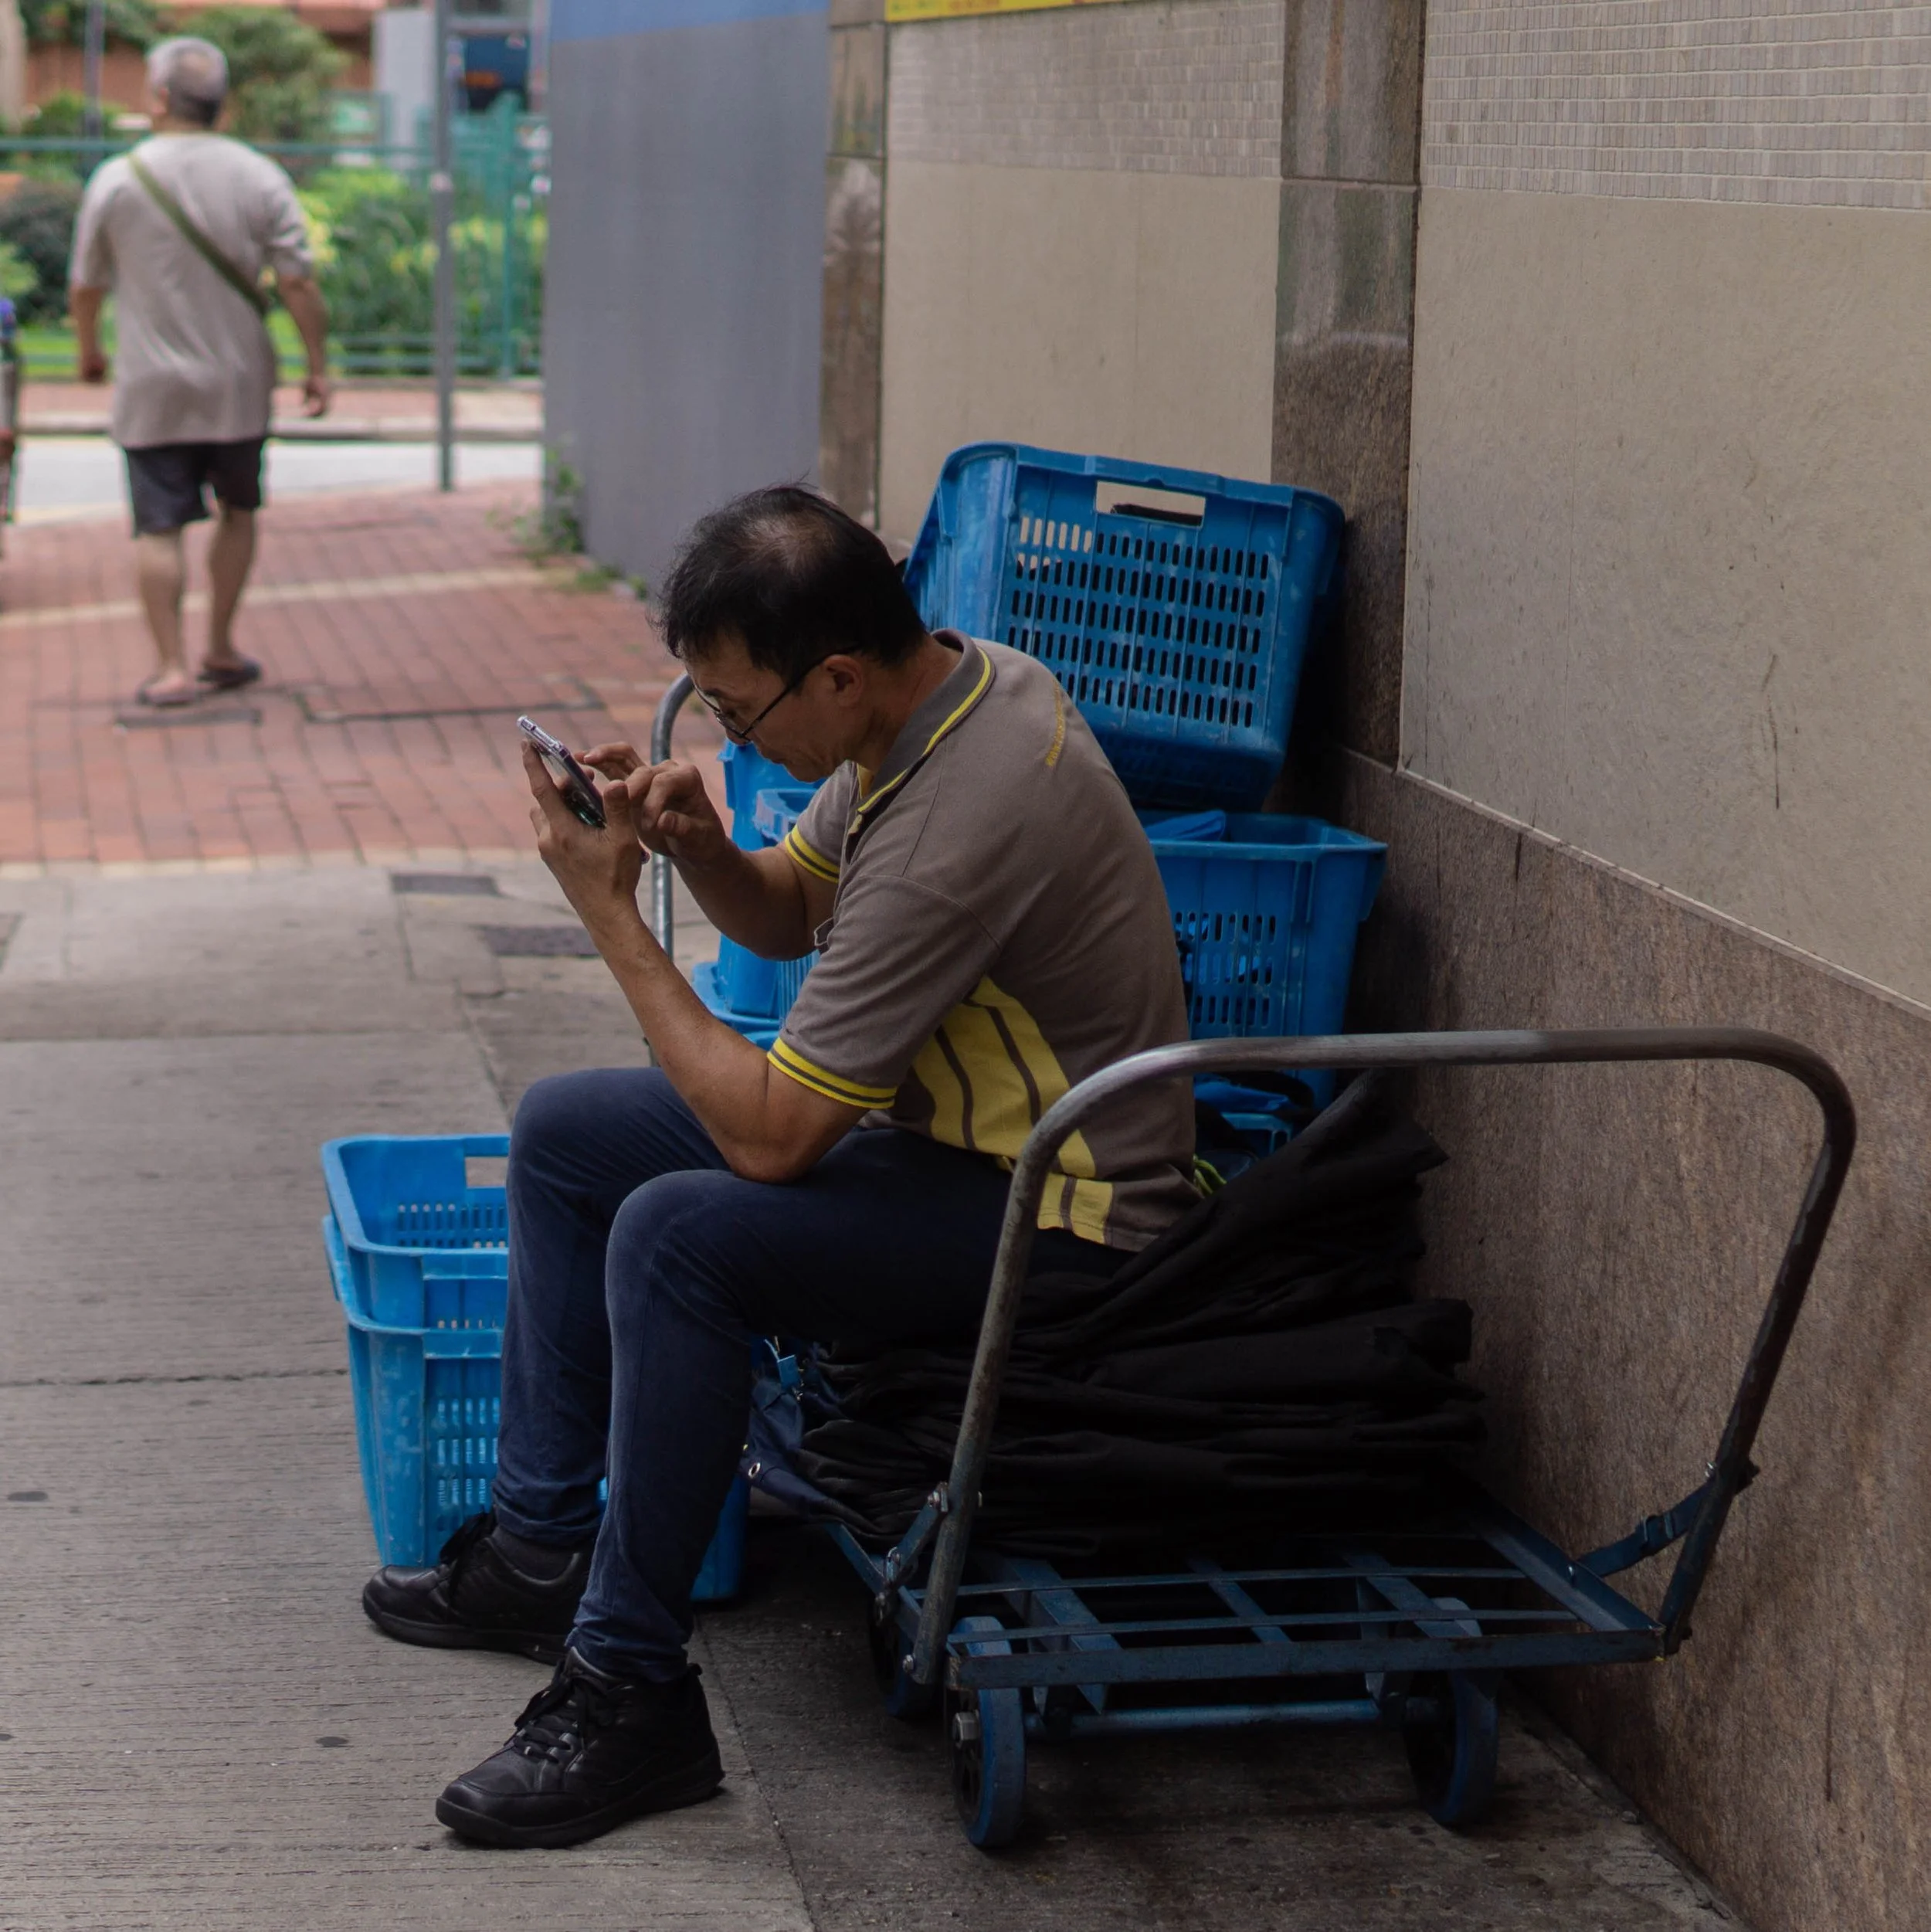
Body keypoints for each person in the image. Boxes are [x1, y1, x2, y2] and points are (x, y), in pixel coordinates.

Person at [361, 486, 1199, 1849]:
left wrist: (611, 917)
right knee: (573, 1133)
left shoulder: (956, 817)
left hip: (1065, 1212)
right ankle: (536, 1552)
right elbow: (798, 908)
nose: (733, 736)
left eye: (740, 715)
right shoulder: (948, 696)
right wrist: (702, 849)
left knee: (681, 1237)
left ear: (840, 674)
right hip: (958, 1152)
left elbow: (770, 1136)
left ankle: (632, 1693)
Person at [68, 36, 330, 708]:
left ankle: (170, 668)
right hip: (239, 386)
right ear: (222, 104)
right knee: (238, 512)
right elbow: (297, 281)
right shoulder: (259, 175)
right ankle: (219, 644)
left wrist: (89, 353)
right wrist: (317, 366)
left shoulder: (119, 178)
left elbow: (85, 286)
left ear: (158, 98)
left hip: (152, 388)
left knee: (158, 527)